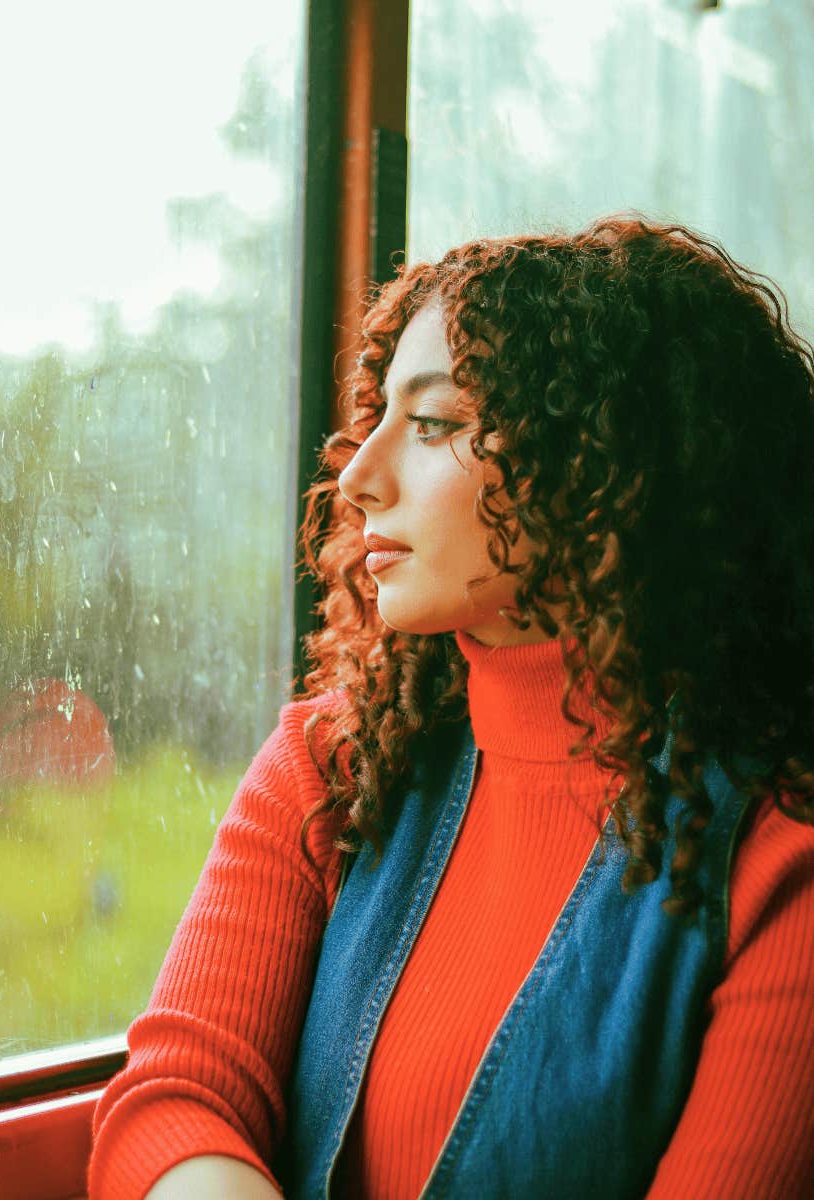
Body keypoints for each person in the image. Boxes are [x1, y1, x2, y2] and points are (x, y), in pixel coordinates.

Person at [88, 216, 814, 1199]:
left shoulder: (780, 853)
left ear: (608, 469)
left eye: (430, 425)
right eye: (377, 416)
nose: (357, 476)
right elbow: (174, 1098)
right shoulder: (332, 760)